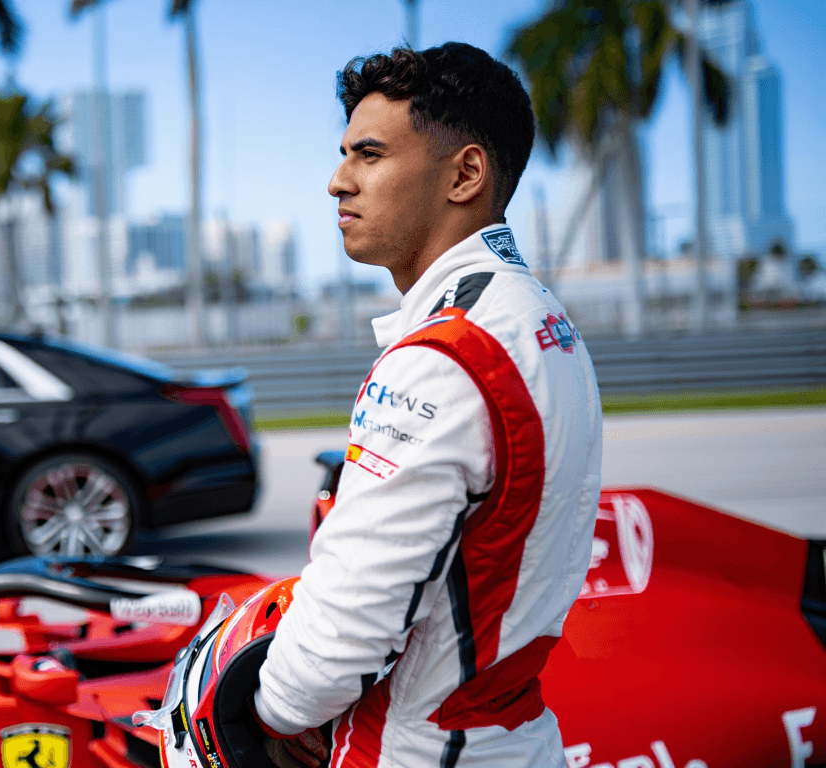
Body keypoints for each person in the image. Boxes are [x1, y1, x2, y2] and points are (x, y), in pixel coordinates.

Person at [251, 43, 603, 768]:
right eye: (344, 154)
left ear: (465, 175)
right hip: (511, 738)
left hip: (414, 747)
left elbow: (341, 636)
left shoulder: (443, 358)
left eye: (370, 154)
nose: (337, 181)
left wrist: (264, 712)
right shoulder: (539, 316)